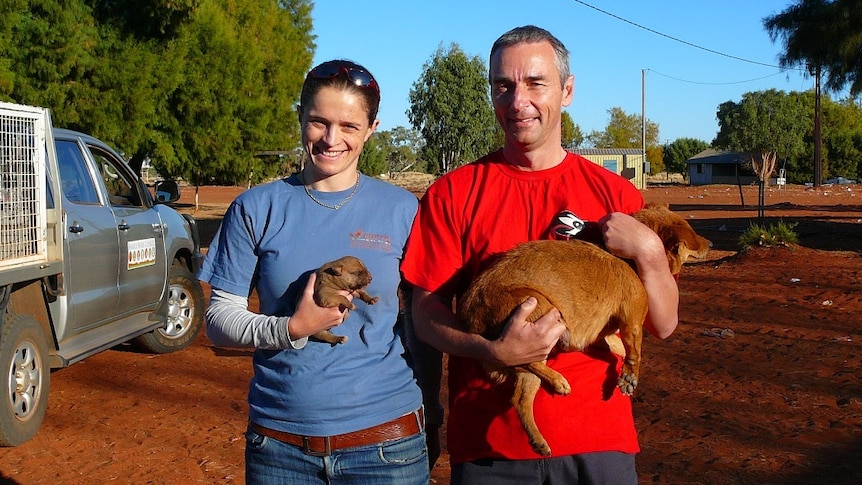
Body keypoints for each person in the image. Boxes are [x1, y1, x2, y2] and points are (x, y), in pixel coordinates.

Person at [401, 25, 679, 484]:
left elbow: (664, 324)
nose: (517, 102)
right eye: (503, 86)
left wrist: (649, 251)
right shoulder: (453, 193)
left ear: (567, 91)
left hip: (599, 440)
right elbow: (426, 313)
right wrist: (491, 349)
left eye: (535, 83)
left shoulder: (617, 195)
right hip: (491, 449)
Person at [198, 59, 430, 484]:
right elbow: (218, 322)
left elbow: (420, 322)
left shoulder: (402, 210)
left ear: (372, 128)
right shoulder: (256, 207)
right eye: (318, 122)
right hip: (281, 446)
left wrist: (432, 414)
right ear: (300, 117)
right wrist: (290, 329)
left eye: (349, 126)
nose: (331, 139)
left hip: (386, 442)